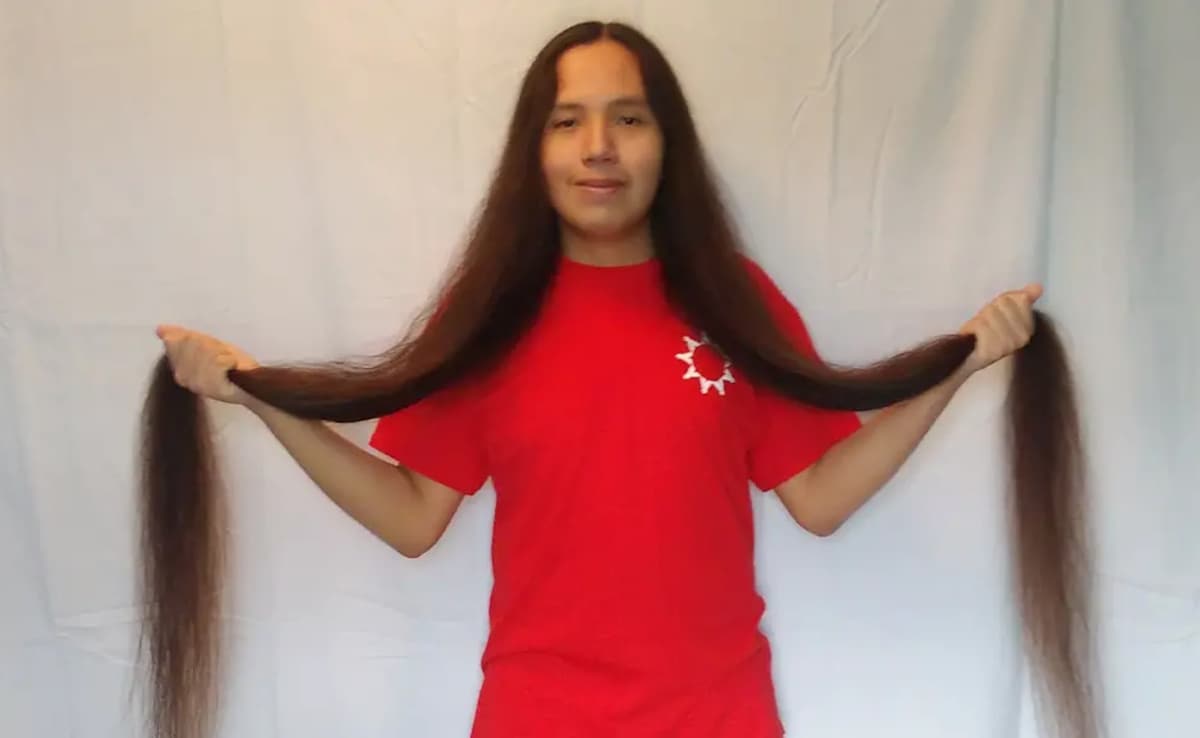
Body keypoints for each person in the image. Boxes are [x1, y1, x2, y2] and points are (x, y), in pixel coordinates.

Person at [154, 21, 1048, 738]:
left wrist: (958, 366)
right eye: (566, 121)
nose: (598, 148)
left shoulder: (737, 303)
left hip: (718, 717)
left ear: (667, 143)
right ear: (533, 150)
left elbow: (819, 496)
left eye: (628, 118)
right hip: (535, 717)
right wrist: (259, 396)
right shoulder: (487, 316)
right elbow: (412, 516)